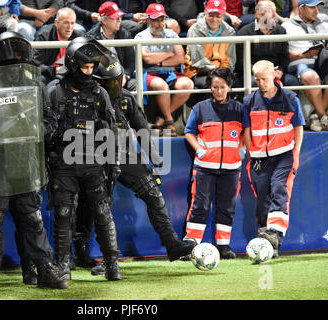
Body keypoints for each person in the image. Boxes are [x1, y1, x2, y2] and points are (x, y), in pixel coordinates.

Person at [0, 31, 67, 294]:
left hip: (25, 160)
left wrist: (30, 128)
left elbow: (49, 121)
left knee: (33, 218)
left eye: (20, 52)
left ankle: (43, 268)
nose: (17, 58)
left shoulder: (34, 84)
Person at [74, 54, 197, 271]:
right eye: (109, 81)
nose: (114, 85)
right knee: (97, 205)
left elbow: (142, 131)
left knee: (153, 194)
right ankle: (96, 256)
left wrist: (155, 160)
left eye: (116, 79)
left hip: (125, 153)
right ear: (97, 81)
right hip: (96, 157)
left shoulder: (127, 98)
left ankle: (172, 245)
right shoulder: (84, 99)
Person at [45, 37, 122, 281]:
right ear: (72, 64)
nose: (88, 72)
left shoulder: (100, 92)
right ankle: (63, 267)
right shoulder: (53, 91)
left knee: (102, 212)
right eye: (85, 67)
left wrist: (113, 165)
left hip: (94, 161)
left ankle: (112, 265)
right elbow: (43, 131)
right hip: (63, 162)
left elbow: (111, 131)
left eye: (91, 67)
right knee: (64, 214)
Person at [243, 60, 305, 257]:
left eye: (264, 79)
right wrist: (250, 154)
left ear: (274, 75)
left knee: (279, 188)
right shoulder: (249, 101)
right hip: (259, 158)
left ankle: (276, 234)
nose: (261, 83)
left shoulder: (290, 98)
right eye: (257, 80)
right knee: (263, 199)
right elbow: (247, 131)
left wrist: (296, 152)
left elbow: (298, 128)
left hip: (284, 155)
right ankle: (266, 241)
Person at [183, 67, 245, 259]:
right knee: (199, 205)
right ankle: (191, 244)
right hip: (204, 168)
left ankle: (223, 246)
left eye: (222, 87)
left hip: (231, 169)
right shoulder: (200, 108)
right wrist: (200, 150)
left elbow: (246, 132)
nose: (218, 91)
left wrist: (241, 150)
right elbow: (188, 132)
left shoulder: (239, 109)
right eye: (215, 87)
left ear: (230, 87)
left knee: (227, 207)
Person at [135, 3, 194, 137]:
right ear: (149, 20)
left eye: (162, 19)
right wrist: (169, 53)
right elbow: (148, 60)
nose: (160, 23)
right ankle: (169, 121)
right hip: (148, 72)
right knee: (160, 85)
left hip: (171, 72)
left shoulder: (171, 34)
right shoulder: (140, 37)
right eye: (156, 20)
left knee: (187, 84)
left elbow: (180, 58)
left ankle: (161, 120)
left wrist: (159, 59)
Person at [282, 0, 328, 131]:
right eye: (312, 7)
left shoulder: (324, 22)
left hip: (322, 62)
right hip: (301, 63)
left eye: (317, 7)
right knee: (311, 76)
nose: (316, 11)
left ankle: (316, 115)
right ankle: (323, 116)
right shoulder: (287, 26)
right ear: (301, 9)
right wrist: (302, 55)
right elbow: (283, 54)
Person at [236, 0, 300, 88]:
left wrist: (280, 70)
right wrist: (262, 72)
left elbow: (284, 57)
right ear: (259, 14)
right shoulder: (244, 33)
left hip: (275, 71)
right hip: (254, 73)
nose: (275, 15)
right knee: (253, 82)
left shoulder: (281, 31)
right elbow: (241, 62)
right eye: (271, 12)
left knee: (292, 81)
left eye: (275, 12)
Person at [184, 0, 236, 90]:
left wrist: (224, 72)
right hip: (199, 72)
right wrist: (218, 71)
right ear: (205, 12)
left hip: (222, 72)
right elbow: (198, 60)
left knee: (237, 85)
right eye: (211, 15)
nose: (214, 19)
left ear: (223, 15)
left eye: (218, 16)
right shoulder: (195, 30)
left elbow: (231, 59)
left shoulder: (230, 31)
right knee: (213, 86)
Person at [87, 1, 137, 91]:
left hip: (123, 76)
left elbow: (131, 63)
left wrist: (125, 76)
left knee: (135, 85)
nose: (120, 20)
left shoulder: (125, 34)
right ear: (104, 20)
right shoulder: (91, 37)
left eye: (120, 17)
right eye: (116, 18)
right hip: (100, 77)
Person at [34, 7, 85, 86]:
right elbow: (35, 64)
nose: (69, 27)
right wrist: (55, 70)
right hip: (50, 76)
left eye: (72, 23)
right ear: (56, 22)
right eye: (66, 23)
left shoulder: (79, 37)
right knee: (41, 79)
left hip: (72, 76)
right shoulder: (44, 36)